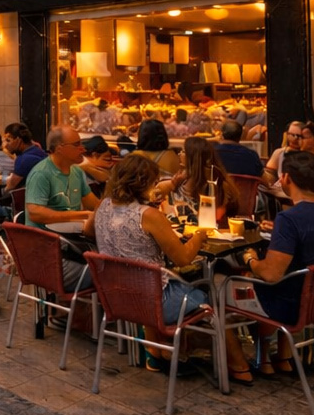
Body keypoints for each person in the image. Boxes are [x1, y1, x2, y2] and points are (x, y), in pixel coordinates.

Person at [94, 154, 253, 382]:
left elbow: (90, 230)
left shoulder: (104, 205)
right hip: (154, 302)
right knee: (211, 298)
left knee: (149, 277)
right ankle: (239, 366)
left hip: (116, 296)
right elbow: (183, 258)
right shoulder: (148, 215)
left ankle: (157, 352)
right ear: (144, 184)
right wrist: (200, 234)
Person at [238, 149, 314, 375]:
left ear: (286, 179)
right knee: (287, 278)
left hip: (292, 307)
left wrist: (250, 259)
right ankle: (281, 357)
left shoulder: (289, 219)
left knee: (230, 284)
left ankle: (244, 364)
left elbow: (271, 274)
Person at [25, 126, 100, 230]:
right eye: (76, 144)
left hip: (71, 233)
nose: (83, 149)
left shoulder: (77, 171)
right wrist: (83, 215)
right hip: (46, 238)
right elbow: (35, 214)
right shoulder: (41, 173)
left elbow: (93, 204)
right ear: (59, 149)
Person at [160, 135, 242, 219]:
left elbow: (212, 216)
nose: (179, 154)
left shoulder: (214, 184)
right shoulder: (182, 179)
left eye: (184, 152)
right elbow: (159, 191)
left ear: (194, 157)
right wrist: (173, 184)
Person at [3, 122, 47, 192]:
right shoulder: (40, 152)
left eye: (8, 140)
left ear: (18, 140)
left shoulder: (23, 159)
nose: (5, 145)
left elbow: (9, 187)